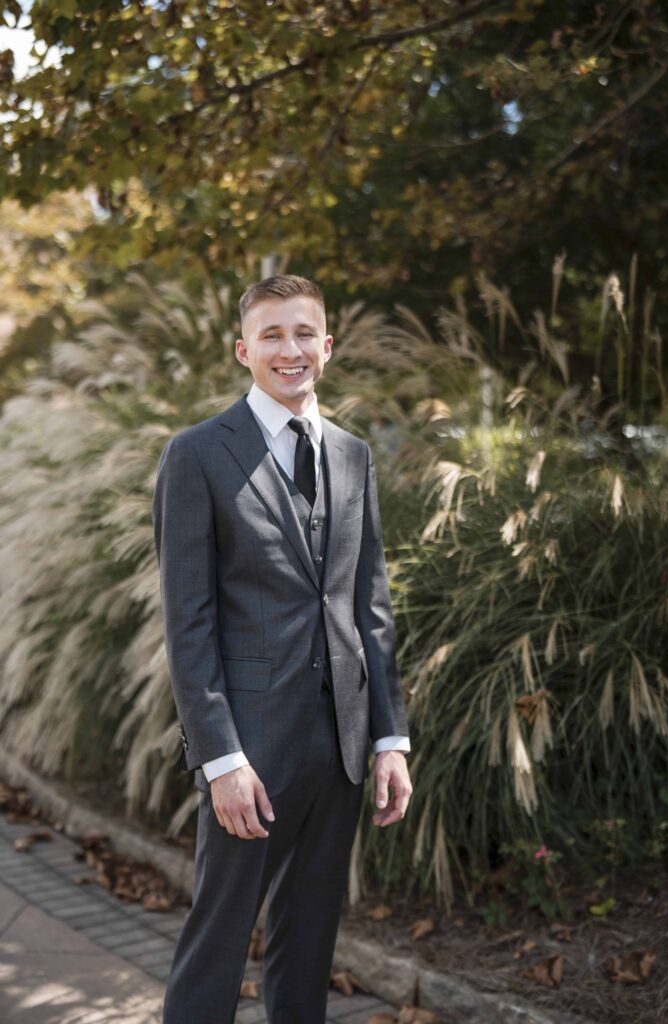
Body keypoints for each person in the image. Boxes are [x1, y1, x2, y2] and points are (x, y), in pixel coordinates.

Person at [152, 274, 412, 1024]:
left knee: (309, 946)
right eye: (271, 335)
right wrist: (221, 758)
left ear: (326, 346)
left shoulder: (354, 456)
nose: (289, 349)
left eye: (304, 333)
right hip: (249, 753)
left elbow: (370, 605)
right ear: (244, 351)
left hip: (340, 743)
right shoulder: (196, 454)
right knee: (218, 943)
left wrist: (389, 737)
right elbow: (187, 620)